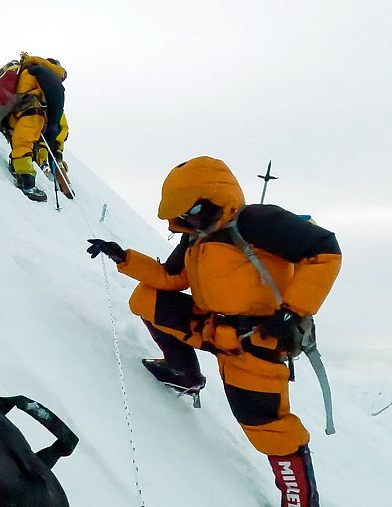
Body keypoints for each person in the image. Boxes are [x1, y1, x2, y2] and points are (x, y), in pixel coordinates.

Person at [87, 156, 341, 507]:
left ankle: (299, 499)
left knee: (264, 425)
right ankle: (183, 371)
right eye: (183, 213)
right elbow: (170, 278)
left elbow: (325, 251)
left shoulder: (256, 222)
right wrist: (123, 257)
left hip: (256, 343)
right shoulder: (196, 238)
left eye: (192, 209)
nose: (187, 219)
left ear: (214, 198)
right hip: (210, 328)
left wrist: (292, 313)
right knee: (147, 299)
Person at [3, 53, 68, 202]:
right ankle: (27, 182)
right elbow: (58, 95)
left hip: (14, 111)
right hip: (32, 111)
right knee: (24, 144)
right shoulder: (48, 73)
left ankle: (16, 167)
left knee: (20, 142)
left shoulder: (25, 70)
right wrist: (52, 124)